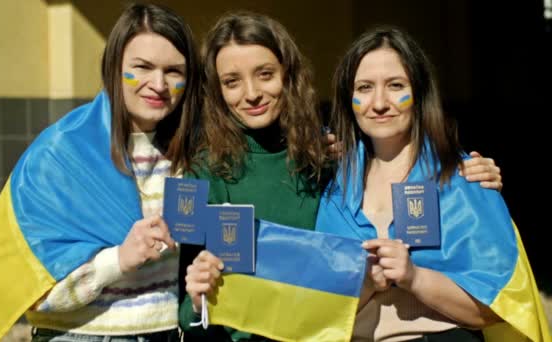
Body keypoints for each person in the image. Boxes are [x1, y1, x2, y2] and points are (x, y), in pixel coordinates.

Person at [178, 13, 504, 341]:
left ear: (288, 75)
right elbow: (185, 304)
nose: (251, 94)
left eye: (265, 74)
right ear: (216, 90)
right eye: (231, 81)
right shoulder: (199, 175)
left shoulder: (327, 157)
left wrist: (472, 170)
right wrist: (196, 301)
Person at [0, 3, 200, 342]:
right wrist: (118, 259)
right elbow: (32, 289)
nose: (158, 84)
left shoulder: (196, 156)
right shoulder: (61, 153)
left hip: (168, 333)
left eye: (173, 71)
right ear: (113, 67)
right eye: (142, 67)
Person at [315, 27, 550, 341]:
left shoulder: (464, 178)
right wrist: (368, 284)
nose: (380, 102)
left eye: (395, 85)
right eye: (365, 87)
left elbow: (500, 306)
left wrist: (415, 278)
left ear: (420, 93)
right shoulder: (332, 190)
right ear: (349, 98)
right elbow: (316, 311)